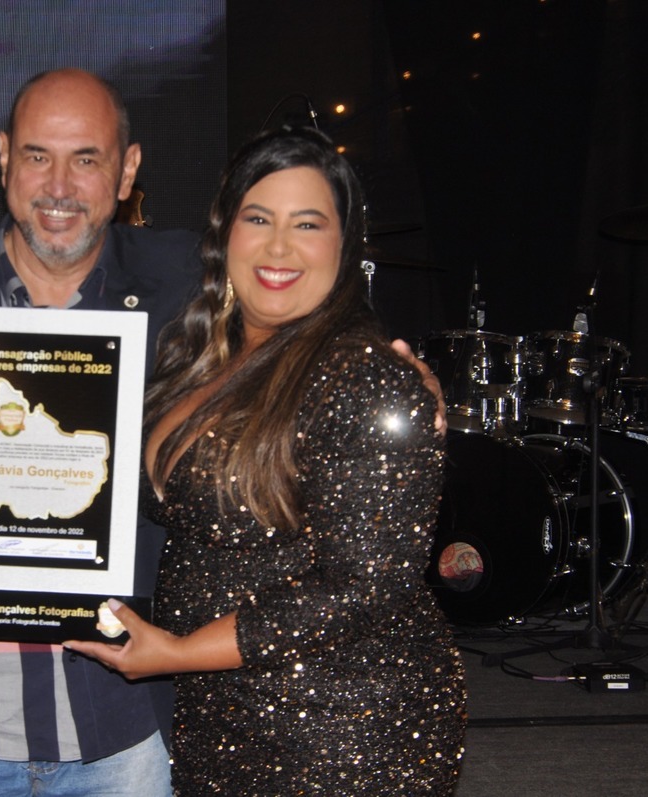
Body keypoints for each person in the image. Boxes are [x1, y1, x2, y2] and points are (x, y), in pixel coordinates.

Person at [0, 68, 447, 796]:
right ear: (4, 158)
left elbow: (302, 303)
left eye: (86, 158)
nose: (59, 185)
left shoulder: (191, 282)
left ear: (127, 170)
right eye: (37, 155)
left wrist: (393, 369)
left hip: (132, 727)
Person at [65, 126, 467, 794]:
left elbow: (362, 587)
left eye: (307, 224)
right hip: (222, 708)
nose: (279, 247)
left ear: (344, 245)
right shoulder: (203, 356)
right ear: (225, 231)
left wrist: (179, 652)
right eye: (258, 218)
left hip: (341, 726)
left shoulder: (367, 379)